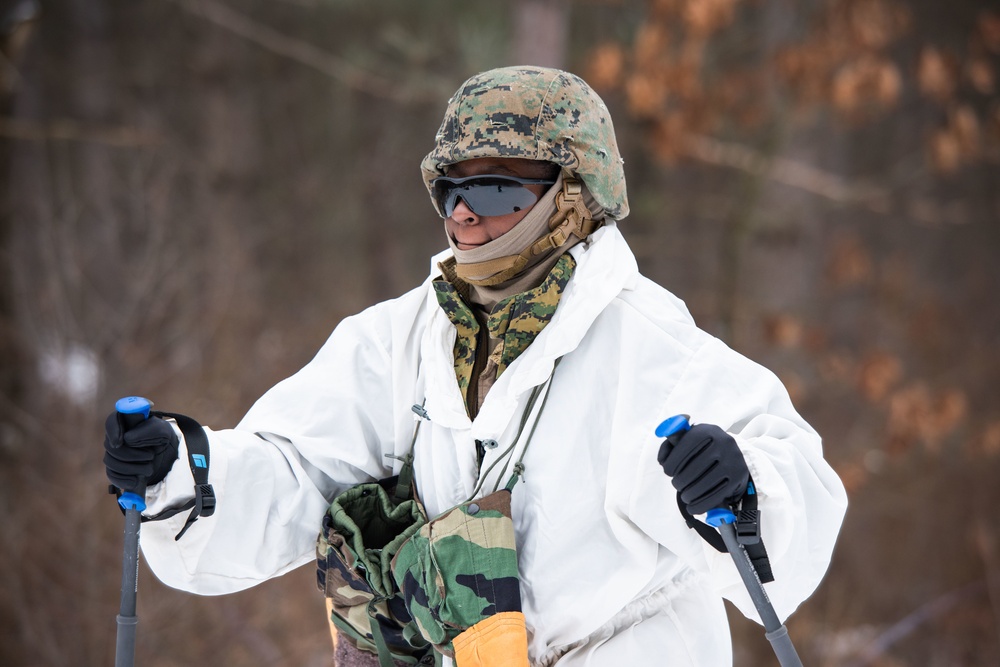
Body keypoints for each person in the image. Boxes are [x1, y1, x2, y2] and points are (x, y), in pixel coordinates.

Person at [103, 66, 848, 667]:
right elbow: (293, 466)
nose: (462, 213)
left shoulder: (648, 346)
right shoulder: (402, 337)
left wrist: (742, 488)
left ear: (573, 197)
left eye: (491, 186)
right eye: (449, 189)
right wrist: (180, 470)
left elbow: (791, 504)